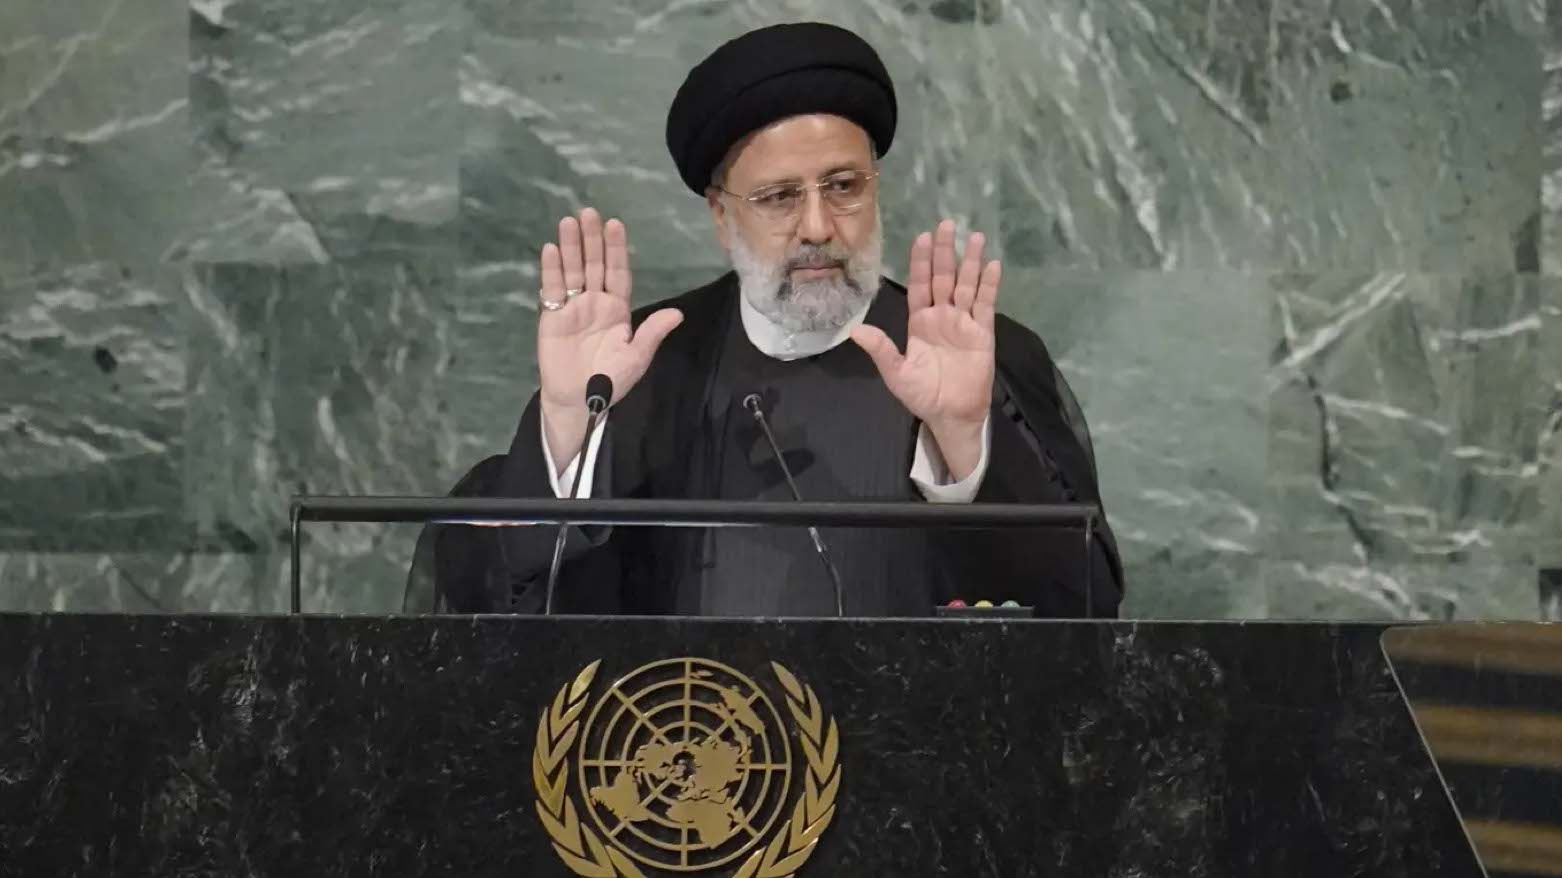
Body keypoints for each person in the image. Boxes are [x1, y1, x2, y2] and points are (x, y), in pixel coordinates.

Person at [430, 22, 1122, 617]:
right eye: (779, 197)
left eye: (844, 187)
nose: (817, 226)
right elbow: (498, 610)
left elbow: (1086, 606)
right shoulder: (640, 367)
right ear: (722, 214)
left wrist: (969, 447)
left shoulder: (977, 354)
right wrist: (566, 428)